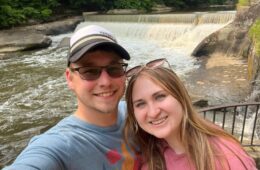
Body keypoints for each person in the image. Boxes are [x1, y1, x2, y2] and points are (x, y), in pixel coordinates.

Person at [3, 25, 137, 170]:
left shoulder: (138, 113)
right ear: (70, 78)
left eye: (114, 68)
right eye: (90, 71)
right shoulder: (59, 145)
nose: (105, 82)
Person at [124, 58, 257, 170]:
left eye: (160, 97)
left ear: (181, 97)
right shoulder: (150, 153)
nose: (153, 112)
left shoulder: (225, 157)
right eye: (140, 104)